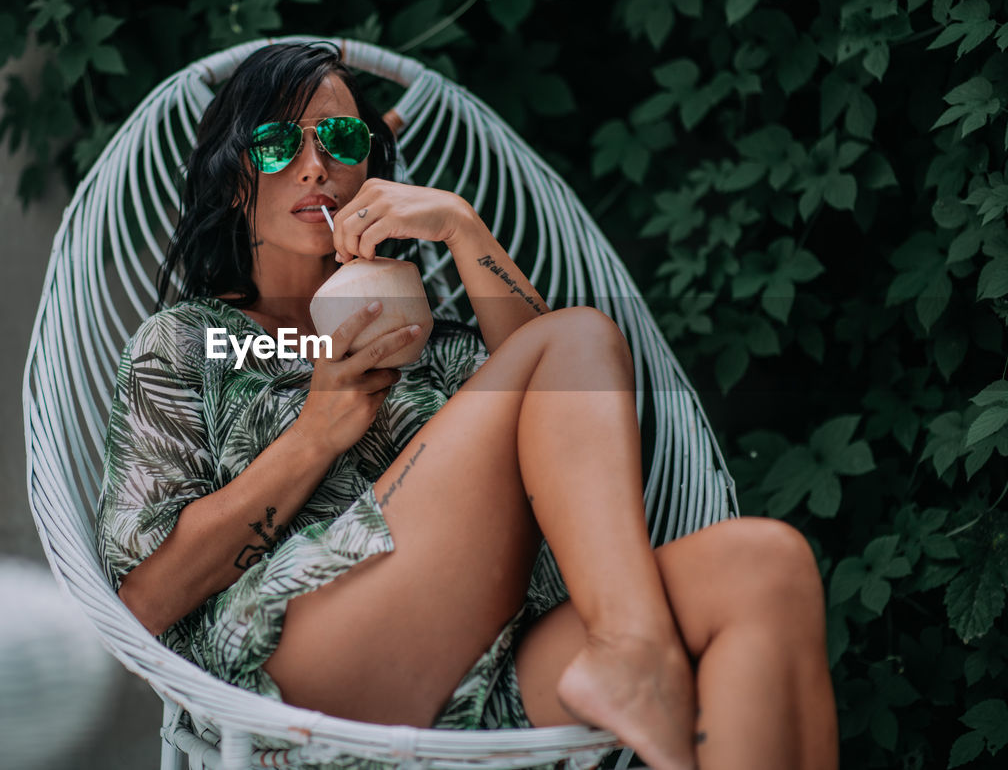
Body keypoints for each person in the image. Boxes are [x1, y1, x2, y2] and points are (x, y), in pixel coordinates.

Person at [96, 41, 838, 770]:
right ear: (233, 180)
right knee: (577, 334)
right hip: (291, 678)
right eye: (275, 142)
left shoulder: (433, 343)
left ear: (368, 175)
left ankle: (624, 644)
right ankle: (629, 649)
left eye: (341, 138)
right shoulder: (188, 345)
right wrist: (313, 437)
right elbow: (143, 602)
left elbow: (559, 377)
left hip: (484, 674)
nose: (314, 164)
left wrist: (459, 225)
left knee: (767, 567)